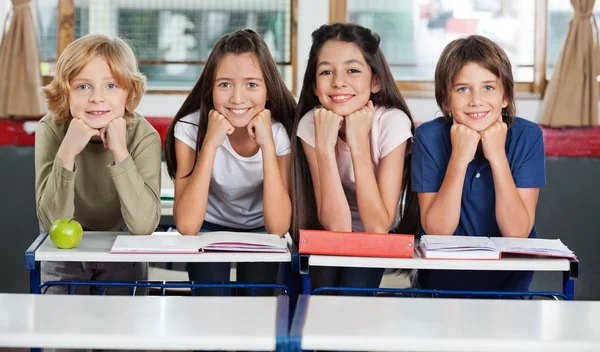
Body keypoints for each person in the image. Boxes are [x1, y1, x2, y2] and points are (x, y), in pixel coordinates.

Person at [164, 29, 296, 295]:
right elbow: (188, 226)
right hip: (207, 223)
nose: (237, 98)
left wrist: (267, 145)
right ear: (210, 88)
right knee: (209, 299)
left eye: (252, 84)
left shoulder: (281, 132)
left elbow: (278, 227)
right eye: (224, 84)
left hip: (262, 226)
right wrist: (210, 145)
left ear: (268, 89)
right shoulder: (190, 127)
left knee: (258, 301)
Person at [412, 35, 546, 292]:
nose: (476, 100)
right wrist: (459, 158)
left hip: (509, 279)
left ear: (505, 97)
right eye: (463, 89)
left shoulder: (528, 136)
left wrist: (497, 156)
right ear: (445, 102)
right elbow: (438, 230)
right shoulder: (428, 136)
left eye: (488, 88)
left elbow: (517, 232)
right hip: (442, 281)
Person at [291, 22, 418, 291]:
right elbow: (336, 227)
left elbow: (378, 228)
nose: (338, 82)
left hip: (375, 236)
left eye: (352, 70)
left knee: (352, 292)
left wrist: (358, 143)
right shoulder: (310, 124)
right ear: (314, 86)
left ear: (375, 81)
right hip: (328, 232)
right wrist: (325, 148)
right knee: (323, 297)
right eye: (326, 71)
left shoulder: (392, 123)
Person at [35, 34, 161, 295]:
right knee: (61, 330)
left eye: (111, 86)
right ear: (65, 92)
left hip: (122, 247)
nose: (96, 98)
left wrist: (120, 152)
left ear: (130, 93)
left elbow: (143, 225)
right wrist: (67, 152)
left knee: (123, 329)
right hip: (64, 254)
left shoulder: (144, 135)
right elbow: (52, 223)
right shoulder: (50, 129)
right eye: (83, 86)